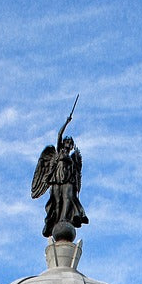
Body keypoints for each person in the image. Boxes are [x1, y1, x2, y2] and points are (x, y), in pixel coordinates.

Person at [31, 101, 89, 238]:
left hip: (67, 181)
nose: (68, 145)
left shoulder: (72, 159)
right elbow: (58, 135)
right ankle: (56, 222)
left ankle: (66, 219)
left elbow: (77, 174)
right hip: (56, 180)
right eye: (67, 142)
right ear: (64, 143)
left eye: (71, 144)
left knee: (68, 198)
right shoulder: (59, 152)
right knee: (57, 203)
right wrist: (67, 122)